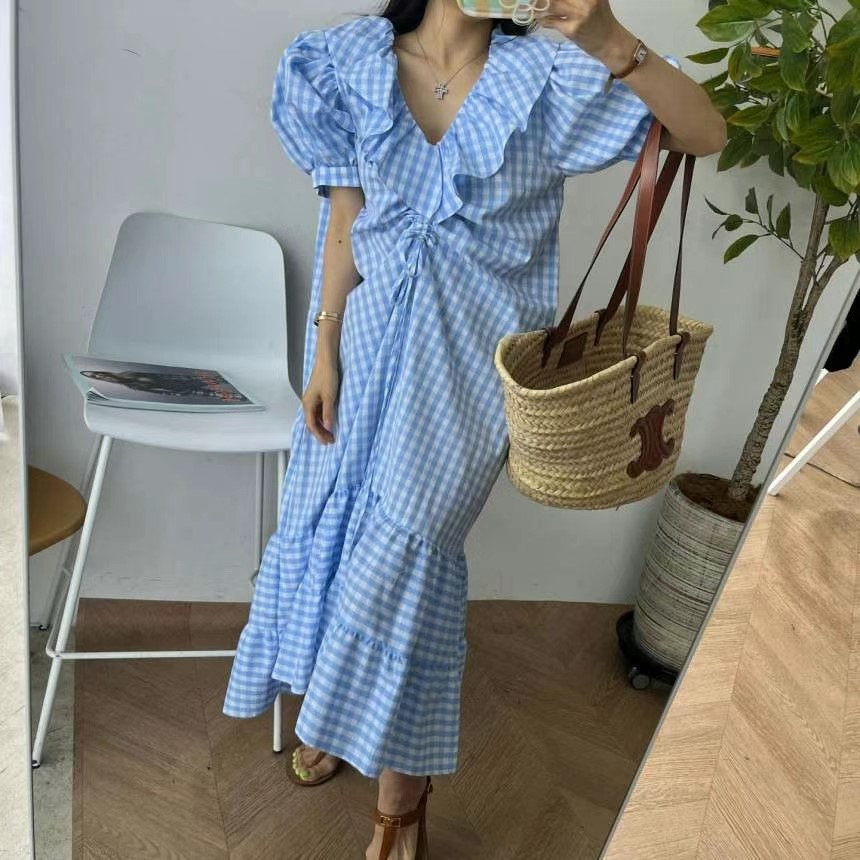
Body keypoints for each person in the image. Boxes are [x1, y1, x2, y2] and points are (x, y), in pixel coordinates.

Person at [223, 1, 726, 857]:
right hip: (364, 345)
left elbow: (704, 133)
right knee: (338, 535)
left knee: (406, 555)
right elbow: (344, 218)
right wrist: (325, 348)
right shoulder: (347, 62)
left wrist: (607, 38)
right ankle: (341, 715)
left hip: (465, 370)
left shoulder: (549, 76)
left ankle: (400, 795)